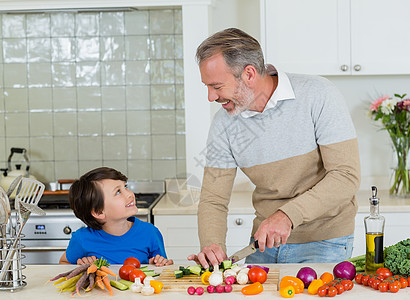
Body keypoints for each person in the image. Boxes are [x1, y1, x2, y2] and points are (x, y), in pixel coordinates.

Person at [187, 28, 361, 268]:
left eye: (217, 86)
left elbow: (345, 176)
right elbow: (213, 198)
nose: (210, 97)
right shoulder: (224, 123)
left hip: (325, 241)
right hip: (263, 245)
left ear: (248, 74)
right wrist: (212, 244)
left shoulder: (318, 94)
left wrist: (287, 216)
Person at [59, 167, 173, 266]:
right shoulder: (82, 239)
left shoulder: (150, 233)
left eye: (125, 187)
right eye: (118, 192)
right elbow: (63, 264)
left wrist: (159, 264)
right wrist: (81, 266)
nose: (129, 194)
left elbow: (164, 268)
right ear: (99, 212)